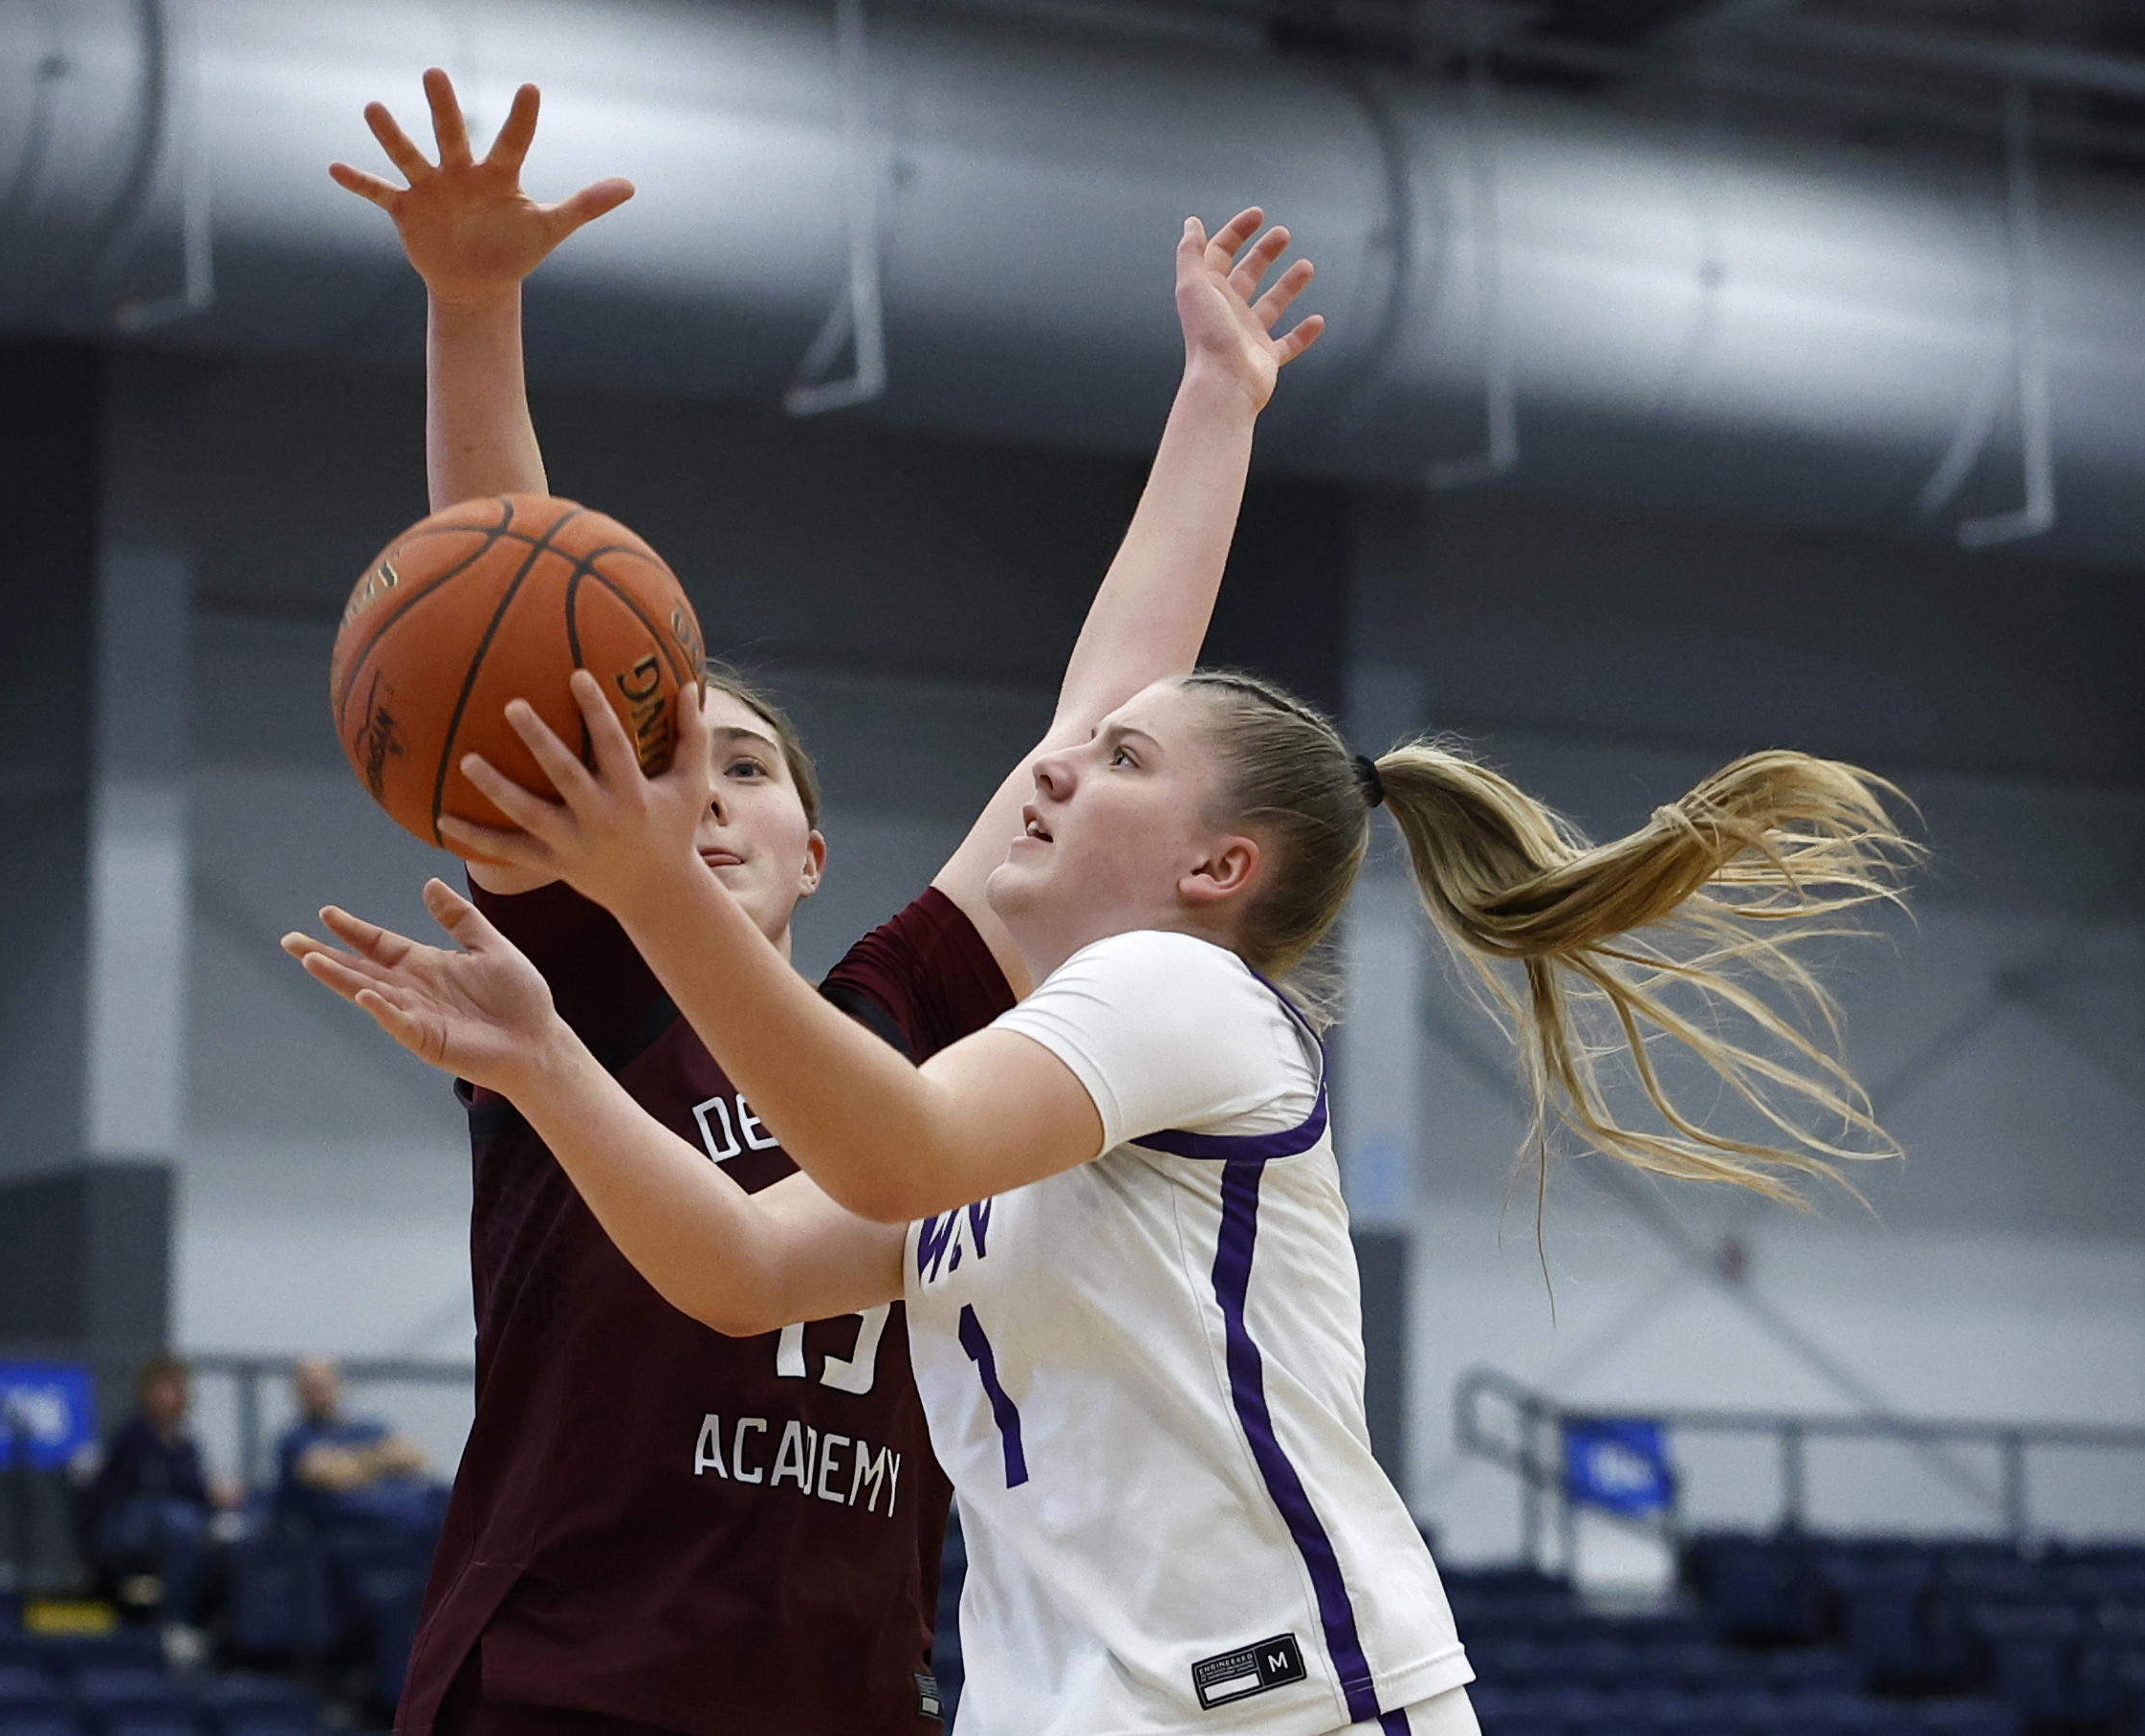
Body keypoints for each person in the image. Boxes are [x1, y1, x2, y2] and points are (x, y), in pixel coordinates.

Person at [291, 657, 1915, 1732]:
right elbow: (741, 1266)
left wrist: (656, 884)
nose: (1058, 767)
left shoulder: (1182, 991)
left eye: (1119, 755)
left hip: (1277, 1704)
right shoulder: (1016, 1114)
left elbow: (882, 1149)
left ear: (1217, 870)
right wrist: (545, 1066)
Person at [316, 68, 1324, 1736]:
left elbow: (1096, 728)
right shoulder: (594, 989)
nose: (705, 795)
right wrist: (474, 314)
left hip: (846, 1697)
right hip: (566, 1690)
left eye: (746, 769)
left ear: (812, 854)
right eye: (667, 760)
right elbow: (505, 621)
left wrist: (1219, 398)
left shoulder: (907, 1032)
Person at [79, 1355, 238, 1645]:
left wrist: (216, 1495)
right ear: (149, 1391)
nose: (176, 1395)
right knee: (180, 1524)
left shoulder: (187, 1444)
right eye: (169, 1387)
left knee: (225, 1532)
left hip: (179, 1521)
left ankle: (220, 1628)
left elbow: (195, 1490)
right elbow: (143, 1488)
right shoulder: (131, 1437)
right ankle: (173, 1623)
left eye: (181, 1388)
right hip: (129, 1526)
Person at [274, 1356, 436, 1531]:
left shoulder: (369, 1428)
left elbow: (413, 1456)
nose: (319, 1393)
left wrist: (352, 1463)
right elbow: (324, 1473)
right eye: (312, 1387)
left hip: (406, 1517)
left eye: (324, 1384)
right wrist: (383, 1462)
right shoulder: (296, 1438)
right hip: (345, 1530)